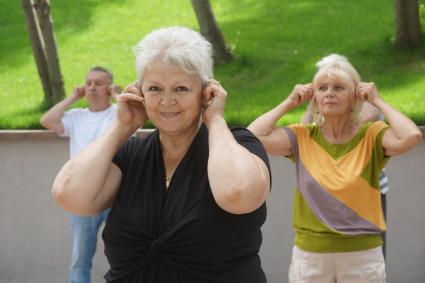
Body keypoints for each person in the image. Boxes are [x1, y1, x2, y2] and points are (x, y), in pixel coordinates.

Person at [50, 26, 271, 283]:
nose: (167, 101)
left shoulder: (239, 144)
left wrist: (216, 119)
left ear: (206, 92)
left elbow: (238, 194)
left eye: (180, 89)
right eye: (155, 88)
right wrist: (121, 127)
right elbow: (69, 195)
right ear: (140, 92)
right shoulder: (130, 154)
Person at [248, 54, 422, 282]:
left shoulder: (372, 135)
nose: (329, 92)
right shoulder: (302, 137)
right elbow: (253, 135)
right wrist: (290, 102)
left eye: (339, 87)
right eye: (322, 88)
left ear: (353, 97)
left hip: (362, 256)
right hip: (310, 256)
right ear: (315, 99)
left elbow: (412, 135)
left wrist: (377, 100)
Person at [40, 66, 121, 283]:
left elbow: (136, 114)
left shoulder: (117, 114)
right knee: (79, 259)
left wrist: (117, 95)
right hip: (81, 196)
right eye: (89, 83)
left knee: (124, 256)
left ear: (109, 87)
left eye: (99, 83)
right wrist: (73, 97)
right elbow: (47, 120)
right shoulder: (76, 117)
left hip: (116, 194)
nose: (92, 87)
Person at [301, 99, 390, 259]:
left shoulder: (361, 98)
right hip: (325, 192)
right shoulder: (322, 106)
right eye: (321, 87)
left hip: (365, 192)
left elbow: (370, 116)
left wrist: (336, 120)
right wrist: (312, 104)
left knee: (366, 256)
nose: (329, 92)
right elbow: (303, 134)